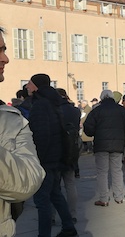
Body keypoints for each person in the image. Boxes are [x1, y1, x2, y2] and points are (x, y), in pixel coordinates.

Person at [0, 28, 45, 237]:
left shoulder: (12, 115)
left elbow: (29, 179)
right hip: (51, 157)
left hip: (42, 158)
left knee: (49, 198)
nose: (6, 59)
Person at [27, 73, 78, 237]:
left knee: (42, 200)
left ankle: (44, 234)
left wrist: (37, 160)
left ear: (36, 86)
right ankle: (69, 227)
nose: (27, 86)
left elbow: (42, 134)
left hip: (46, 159)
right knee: (55, 194)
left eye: (29, 83)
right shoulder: (52, 101)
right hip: (55, 157)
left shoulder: (40, 104)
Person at [83, 90, 125, 207]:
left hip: (101, 146)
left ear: (101, 98)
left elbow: (88, 129)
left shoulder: (96, 110)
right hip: (118, 145)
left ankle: (104, 198)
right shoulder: (122, 110)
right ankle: (119, 197)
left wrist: (94, 133)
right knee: (117, 171)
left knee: (102, 172)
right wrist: (123, 141)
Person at [52, 88, 81, 224]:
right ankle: (73, 213)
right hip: (71, 150)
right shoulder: (75, 110)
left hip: (56, 150)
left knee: (54, 186)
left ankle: (51, 215)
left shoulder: (53, 109)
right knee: (70, 184)